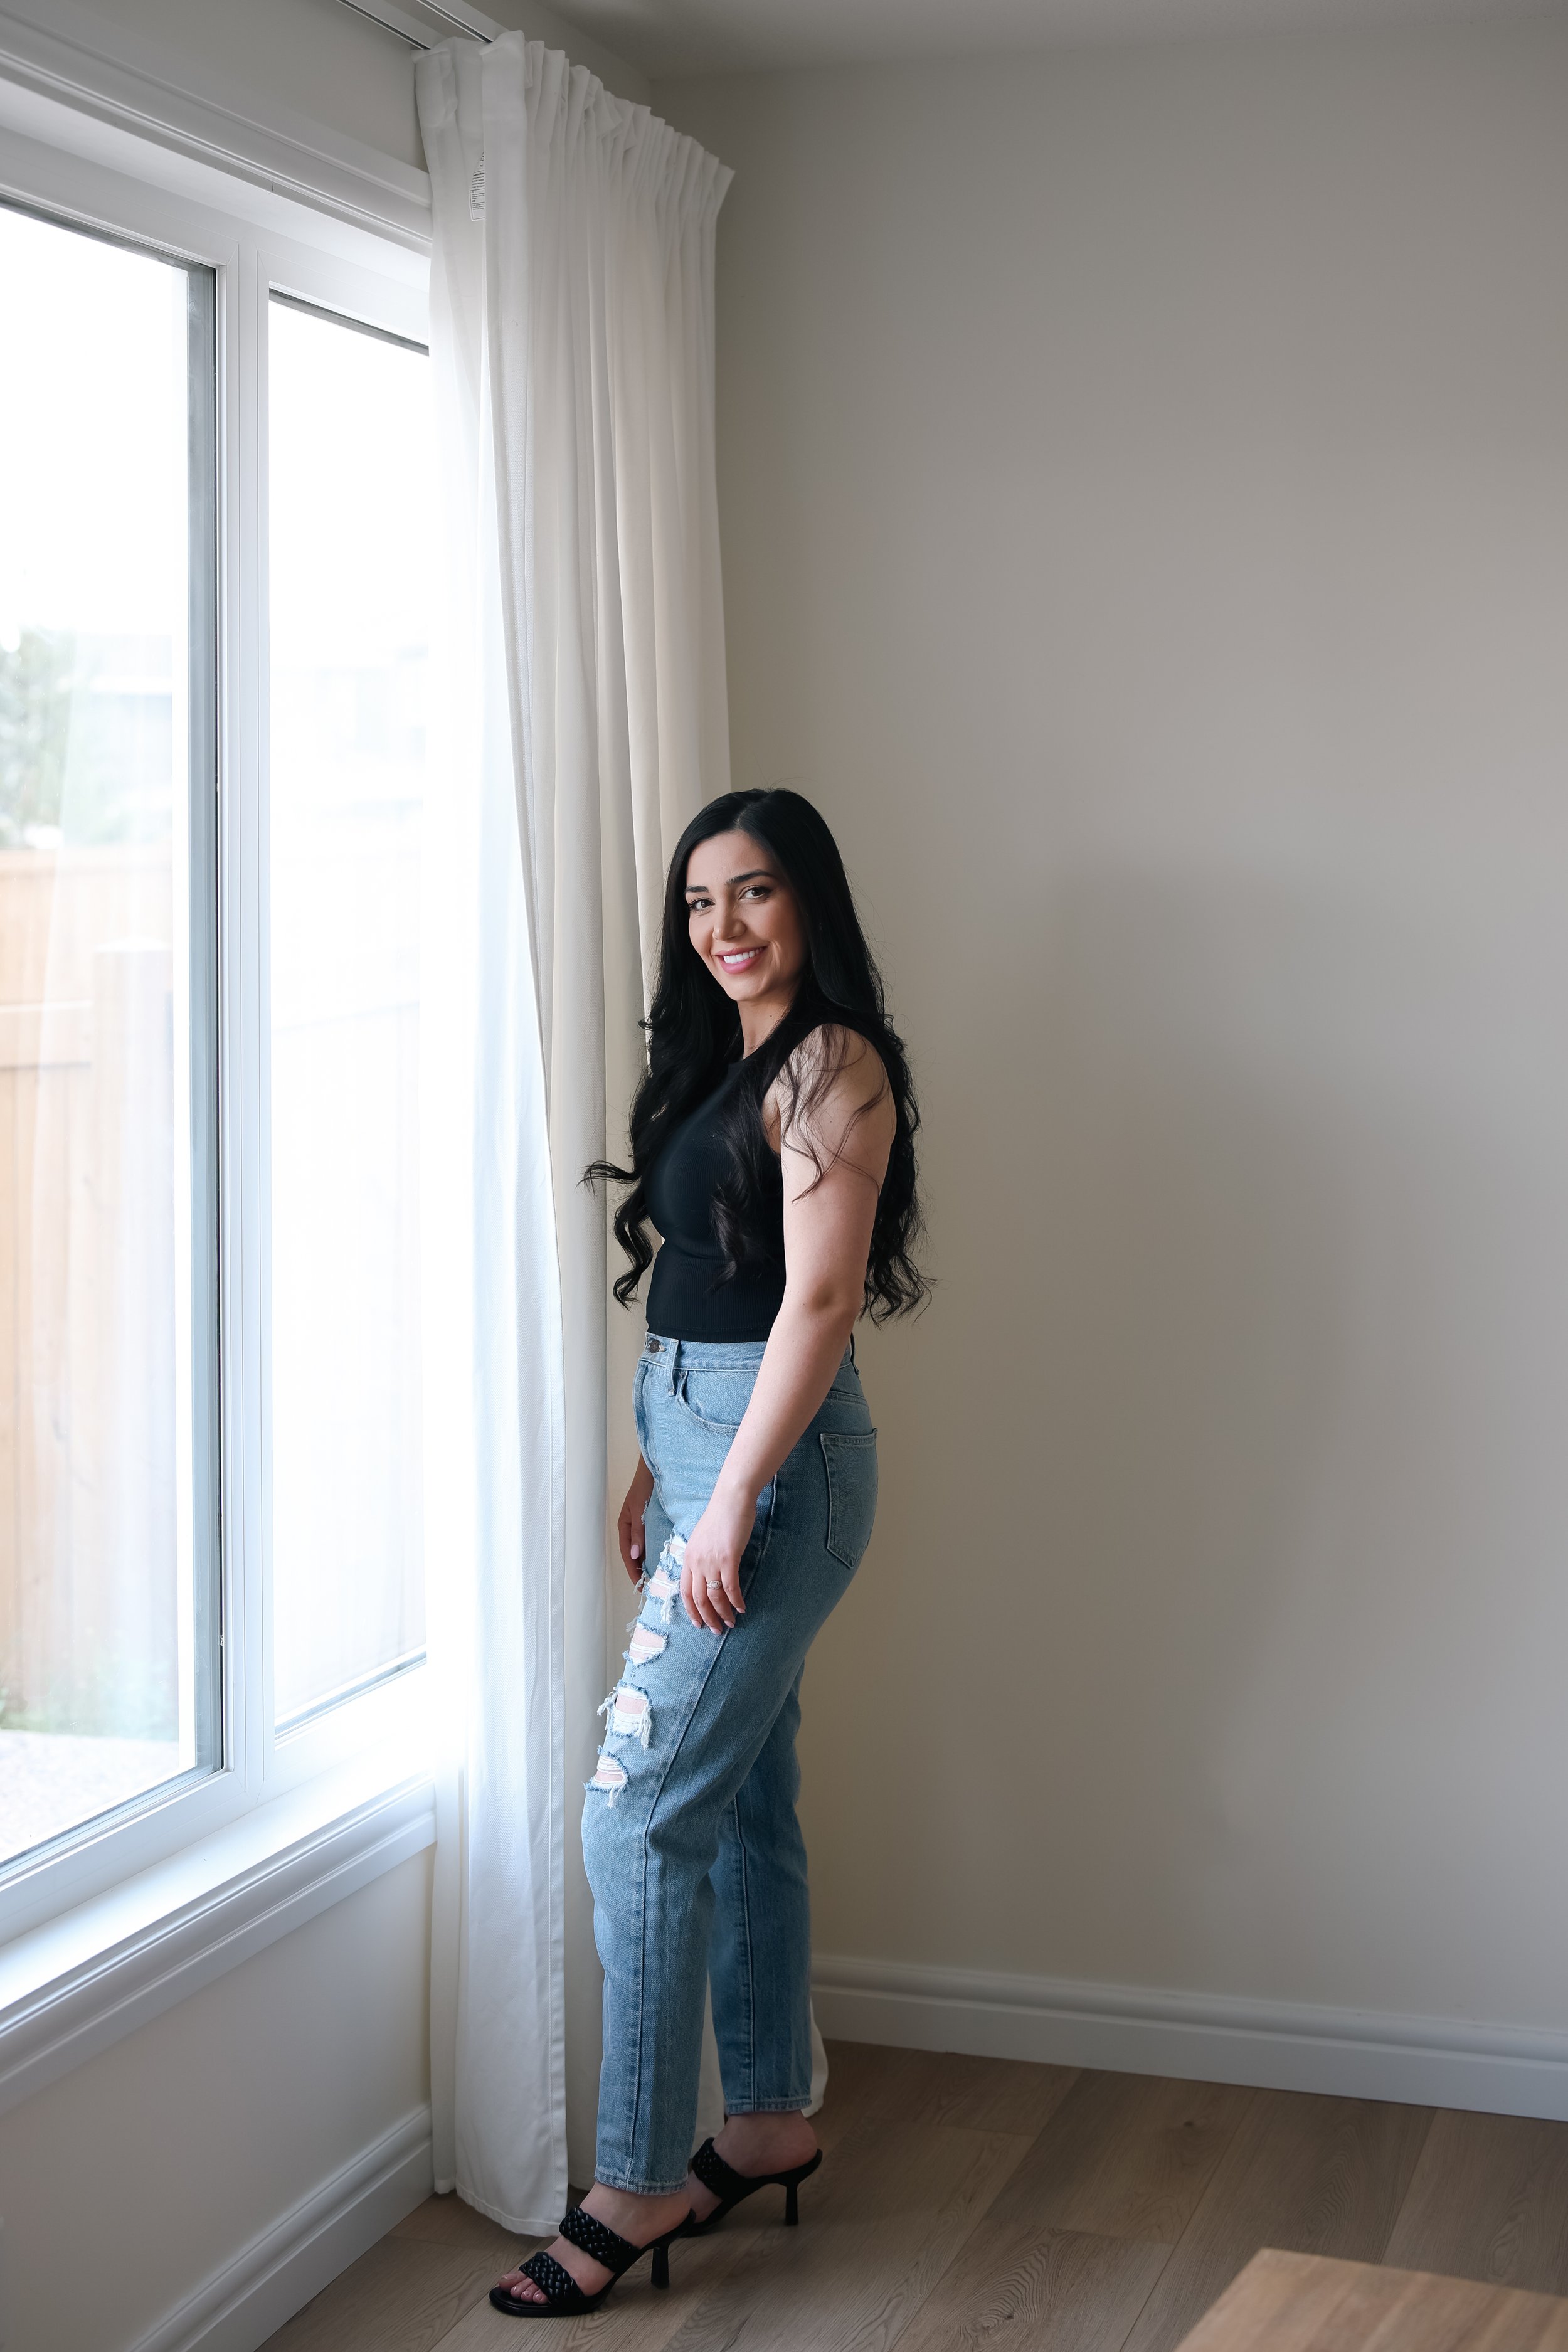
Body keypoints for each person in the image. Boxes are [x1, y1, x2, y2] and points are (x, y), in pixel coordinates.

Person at [492, 788, 924, 2318]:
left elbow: (810, 1310)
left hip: (777, 1469)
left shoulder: (832, 1065)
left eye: (750, 895)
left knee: (633, 1819)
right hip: (701, 1447)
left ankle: (633, 2176)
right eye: (697, 903)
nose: (722, 928)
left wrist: (728, 1500)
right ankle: (764, 2121)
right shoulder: (728, 1055)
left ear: (805, 899)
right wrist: (657, 1473)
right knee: (740, 1797)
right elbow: (712, 1278)